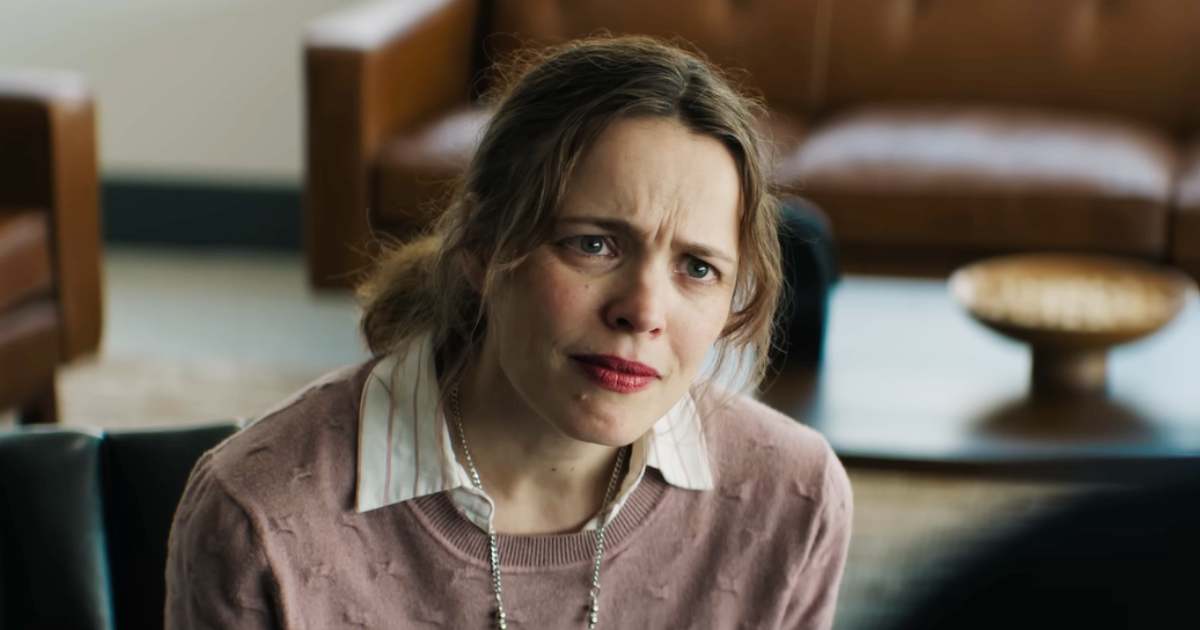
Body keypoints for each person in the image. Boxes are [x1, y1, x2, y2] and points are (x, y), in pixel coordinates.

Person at [165, 35, 852, 629]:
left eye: (698, 268)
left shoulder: (792, 497)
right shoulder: (261, 517)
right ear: (481, 246)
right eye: (593, 245)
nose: (644, 311)